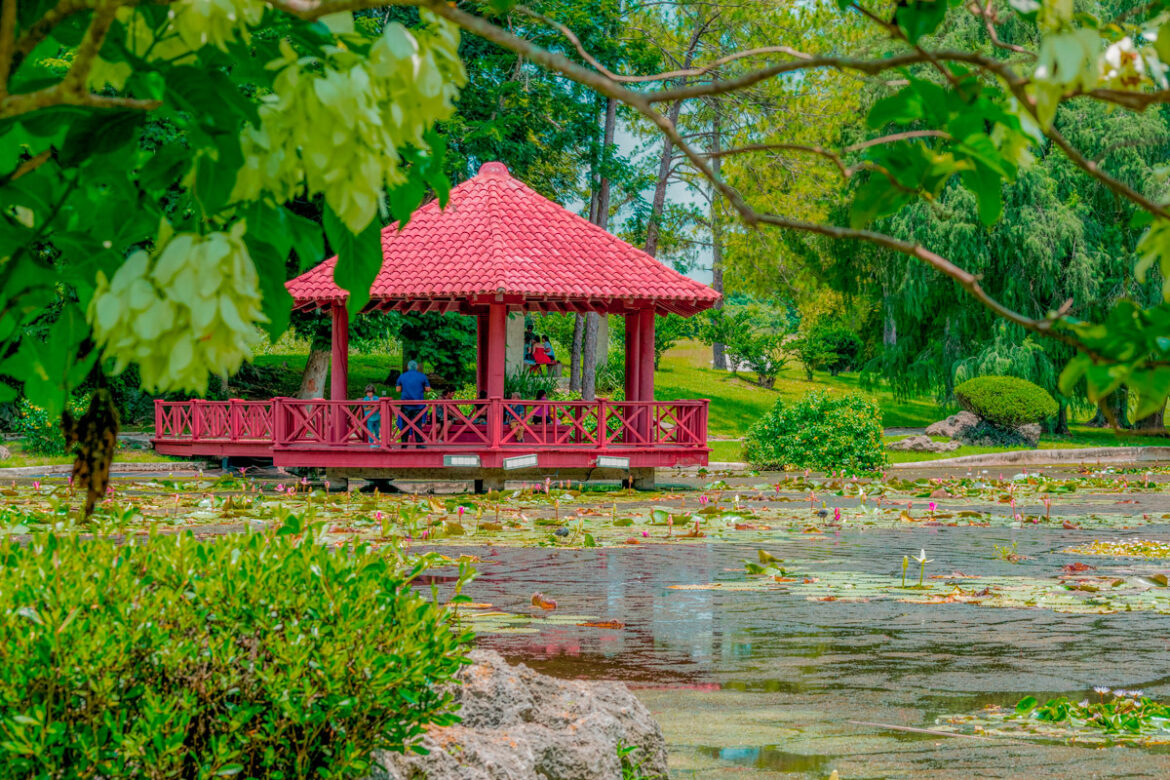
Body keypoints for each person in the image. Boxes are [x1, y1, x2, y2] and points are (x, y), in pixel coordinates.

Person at [396, 360, 430, 447]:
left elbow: (398, 390)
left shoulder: (402, 376)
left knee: (405, 424)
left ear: (408, 367)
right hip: (418, 405)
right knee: (417, 424)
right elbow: (428, 389)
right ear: (417, 367)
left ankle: (404, 444)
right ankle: (419, 444)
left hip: (406, 404)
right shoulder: (422, 376)